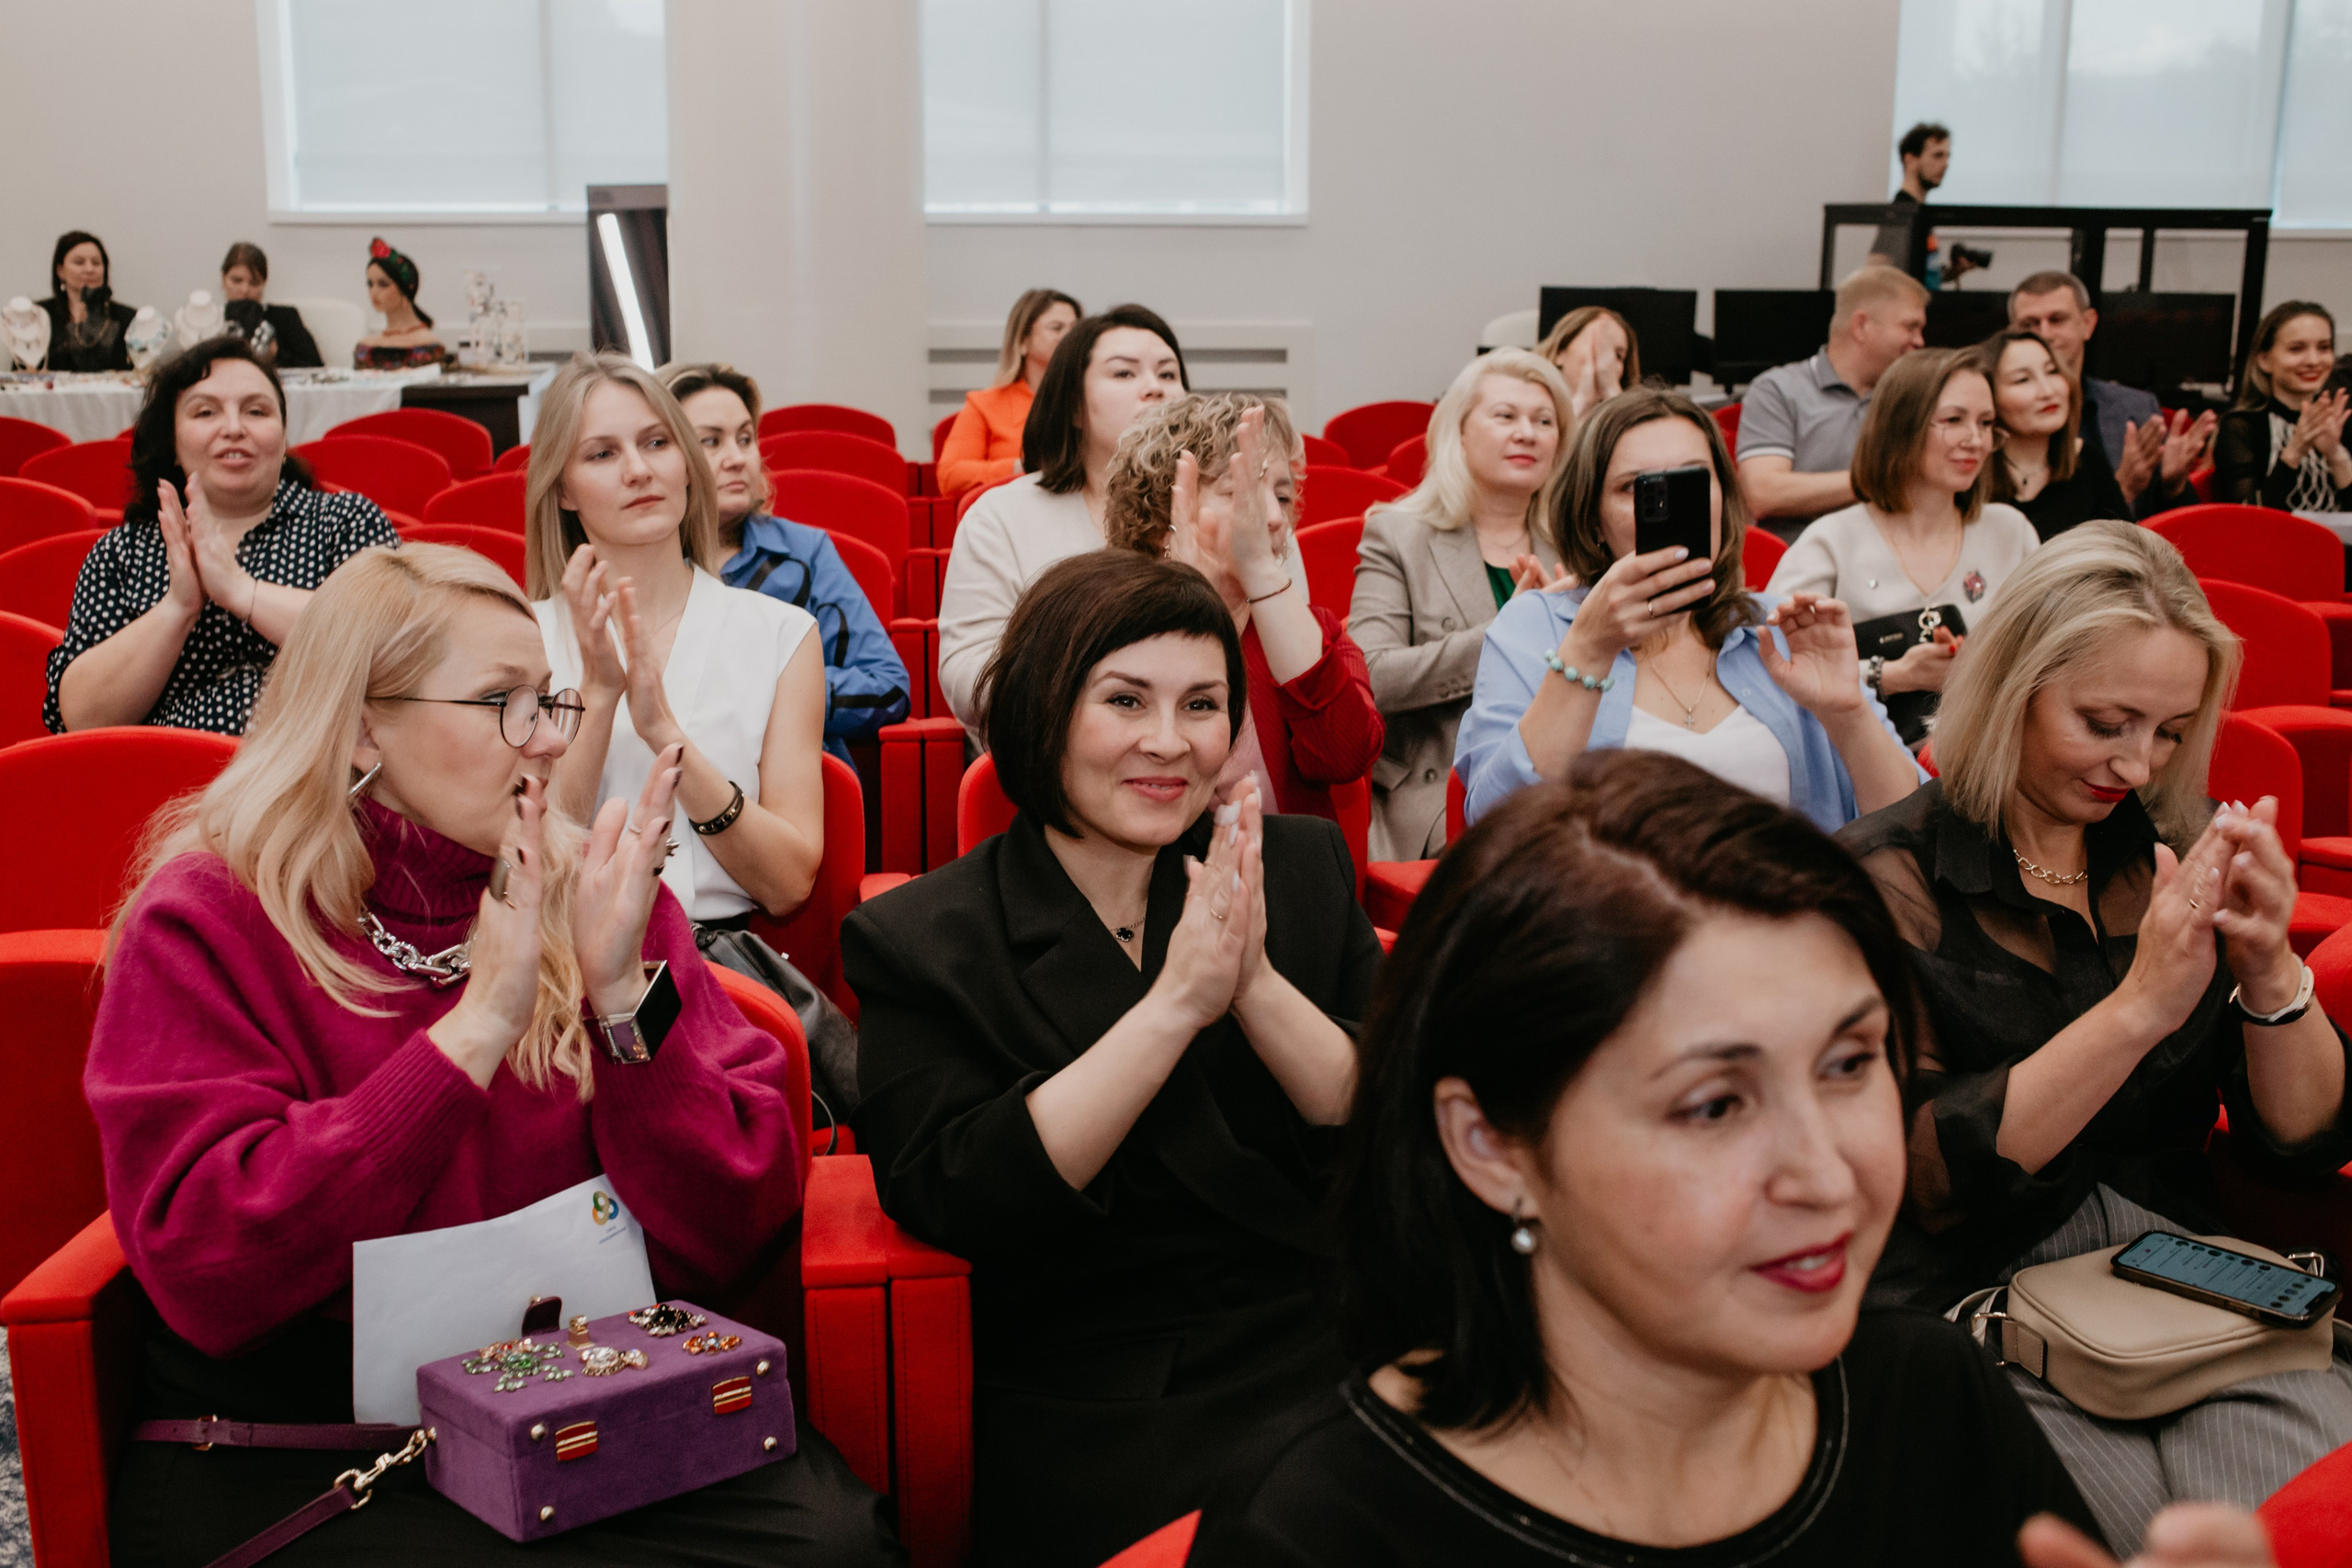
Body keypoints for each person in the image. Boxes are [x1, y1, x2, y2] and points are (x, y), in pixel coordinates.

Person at [86, 542, 902, 1568]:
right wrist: (472, 1033)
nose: (550, 742)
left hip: (589, 1402)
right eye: (502, 702)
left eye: (550, 701)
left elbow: (738, 1221)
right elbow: (212, 1266)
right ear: (358, 727)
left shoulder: (596, 891)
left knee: (839, 1546)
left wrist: (619, 1007)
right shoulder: (209, 918)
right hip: (316, 1438)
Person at [845, 549, 1378, 1568]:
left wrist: (1256, 987)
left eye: (1203, 705)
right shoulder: (925, 937)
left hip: (1324, 1335)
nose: (1168, 744)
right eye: (1125, 701)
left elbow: (1384, 1108)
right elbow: (961, 1192)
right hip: (1104, 1389)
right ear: (1045, 709)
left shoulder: (1297, 865)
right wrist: (1175, 1006)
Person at [1840, 521, 2352, 1551]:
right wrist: (2137, 1012)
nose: (2136, 761)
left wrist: (2269, 974)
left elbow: (2300, 1141)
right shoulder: (1883, 876)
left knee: (2294, 1525)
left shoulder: (2168, 847)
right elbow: (1927, 1172)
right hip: (1967, 1300)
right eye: (2104, 721)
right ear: (2012, 685)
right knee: (2120, 1536)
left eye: (2168, 730)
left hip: (2182, 1278)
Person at [1458, 388, 1920, 835]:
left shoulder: (1784, 625)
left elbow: (1909, 825)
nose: (1678, 508)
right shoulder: (1533, 627)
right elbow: (1497, 825)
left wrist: (1847, 711)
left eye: (1694, 482)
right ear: (1593, 519)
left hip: (1790, 905)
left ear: (1724, 498)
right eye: (1636, 489)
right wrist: (1587, 649)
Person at [526, 355, 828, 929]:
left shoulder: (782, 634)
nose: (638, 470)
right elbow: (524, 868)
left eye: (657, 443)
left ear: (688, 465)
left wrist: (665, 734)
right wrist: (598, 693)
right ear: (562, 489)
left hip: (725, 969)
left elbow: (789, 884)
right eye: (602, 453)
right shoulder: (523, 636)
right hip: (558, 961)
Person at [45, 335, 398, 735]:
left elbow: (392, 650)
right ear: (173, 444)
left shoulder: (348, 522)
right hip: (158, 783)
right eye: (206, 412)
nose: (233, 428)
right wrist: (178, 608)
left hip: (317, 783)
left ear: (283, 440)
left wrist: (239, 590)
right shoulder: (124, 551)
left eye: (256, 411)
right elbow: (81, 718)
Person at [1102, 394, 1385, 825]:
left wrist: (1260, 573)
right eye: (1242, 493)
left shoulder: (1316, 633)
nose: (1272, 517)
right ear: (1165, 513)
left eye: (1284, 497)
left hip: (1282, 880)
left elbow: (1346, 758)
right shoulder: (1099, 627)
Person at [1351, 350, 1572, 860]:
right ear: (1460, 432)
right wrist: (1508, 631)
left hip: (1565, 776)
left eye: (1545, 421)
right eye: (1506, 416)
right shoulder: (1398, 535)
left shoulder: (1578, 544)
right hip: (1443, 791)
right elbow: (1371, 677)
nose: (1528, 433)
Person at [936, 303, 1191, 743]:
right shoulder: (1000, 517)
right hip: (1053, 769)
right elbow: (968, 681)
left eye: (1168, 375)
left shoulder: (1234, 510)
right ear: (1073, 406)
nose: (1155, 389)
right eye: (1125, 374)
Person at [1767, 347, 2038, 746]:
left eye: (1986, 424)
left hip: (1989, 755)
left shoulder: (2010, 531)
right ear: (1901, 426)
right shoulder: (1832, 540)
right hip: (1859, 762)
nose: (1976, 440)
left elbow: (2052, 654)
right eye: (1954, 420)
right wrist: (1892, 676)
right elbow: (1771, 665)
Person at [659, 360, 910, 765]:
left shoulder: (805, 553)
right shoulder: (646, 562)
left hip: (794, 785)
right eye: (710, 442)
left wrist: (767, 691)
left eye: (745, 438)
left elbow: (887, 688)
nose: (737, 458)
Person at [1736, 265, 1928, 532]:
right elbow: (1764, 493)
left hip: (1894, 555)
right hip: (1800, 559)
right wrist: (1876, 481)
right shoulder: (1778, 389)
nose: (1919, 341)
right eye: (1910, 327)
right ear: (1861, 326)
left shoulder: (1913, 398)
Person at [2009, 271, 2213, 513]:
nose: (2044, 334)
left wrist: (2173, 487)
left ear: (2088, 324)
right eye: (2029, 324)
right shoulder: (1999, 415)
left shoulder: (2136, 408)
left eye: (2057, 320)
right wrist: (2121, 491)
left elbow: (2167, 531)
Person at [1980, 327, 2133, 540]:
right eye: (2023, 379)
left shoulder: (2088, 461)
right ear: (1988, 396)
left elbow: (2128, 554)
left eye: (2052, 371)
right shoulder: (1971, 472)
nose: (2048, 391)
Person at [938, 288, 1083, 497]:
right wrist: (1022, 467)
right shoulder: (984, 404)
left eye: (1075, 328)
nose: (1069, 337)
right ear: (1023, 341)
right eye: (1056, 328)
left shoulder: (1092, 400)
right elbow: (950, 477)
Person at [2217, 301, 2348, 514]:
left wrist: (2336, 455)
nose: (2314, 360)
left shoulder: (2341, 421)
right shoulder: (2241, 426)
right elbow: (2246, 520)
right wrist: (2295, 451)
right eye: (2296, 349)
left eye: (2324, 348)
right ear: (2265, 360)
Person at [1865, 122, 1970, 282]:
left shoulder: (1917, 212)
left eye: (1948, 156)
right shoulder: (1900, 214)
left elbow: (1919, 275)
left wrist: (1951, 273)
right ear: (1910, 160)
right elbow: (1875, 273)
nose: (1945, 164)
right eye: (1937, 155)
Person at [39, 229, 137, 372]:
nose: (89, 269)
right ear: (60, 271)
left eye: (96, 263)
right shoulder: (39, 316)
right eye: (79, 262)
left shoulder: (128, 318)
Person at [218, 241, 324, 368]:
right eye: (237, 281)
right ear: (224, 279)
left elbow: (315, 368)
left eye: (254, 283)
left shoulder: (285, 319)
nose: (245, 290)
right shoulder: (209, 321)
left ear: (264, 284)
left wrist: (276, 354)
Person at [355, 237, 448, 370]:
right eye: (370, 284)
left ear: (405, 290)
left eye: (383, 284)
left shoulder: (427, 346)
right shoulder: (365, 347)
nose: (373, 292)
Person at [1534, 306, 1638, 422]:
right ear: (1560, 352)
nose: (1606, 363)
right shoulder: (1527, 399)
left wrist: (1611, 392)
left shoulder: (1637, 414)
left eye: (1618, 355)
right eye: (1597, 347)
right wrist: (1584, 401)